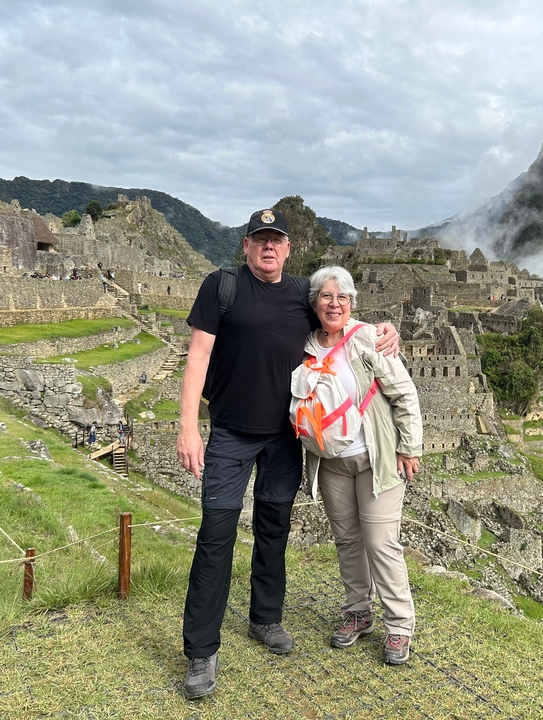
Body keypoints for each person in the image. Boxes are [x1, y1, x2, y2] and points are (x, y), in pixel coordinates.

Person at [176, 208, 399, 700]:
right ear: (246, 246)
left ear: (288, 248)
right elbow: (198, 355)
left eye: (276, 240)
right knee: (216, 533)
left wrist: (385, 329)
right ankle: (201, 650)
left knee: (274, 530)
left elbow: (340, 315)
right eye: (260, 240)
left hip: (283, 438)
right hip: (231, 433)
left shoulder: (302, 293)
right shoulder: (222, 287)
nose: (268, 248)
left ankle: (265, 619)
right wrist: (188, 427)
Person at [301, 266, 422, 665]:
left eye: (343, 297)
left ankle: (400, 626)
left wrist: (410, 448)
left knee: (381, 543)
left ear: (352, 302)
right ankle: (357, 612)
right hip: (331, 462)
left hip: (376, 458)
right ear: (314, 301)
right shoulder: (304, 344)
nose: (334, 304)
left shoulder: (368, 338)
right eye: (326, 296)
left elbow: (404, 393)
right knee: (348, 542)